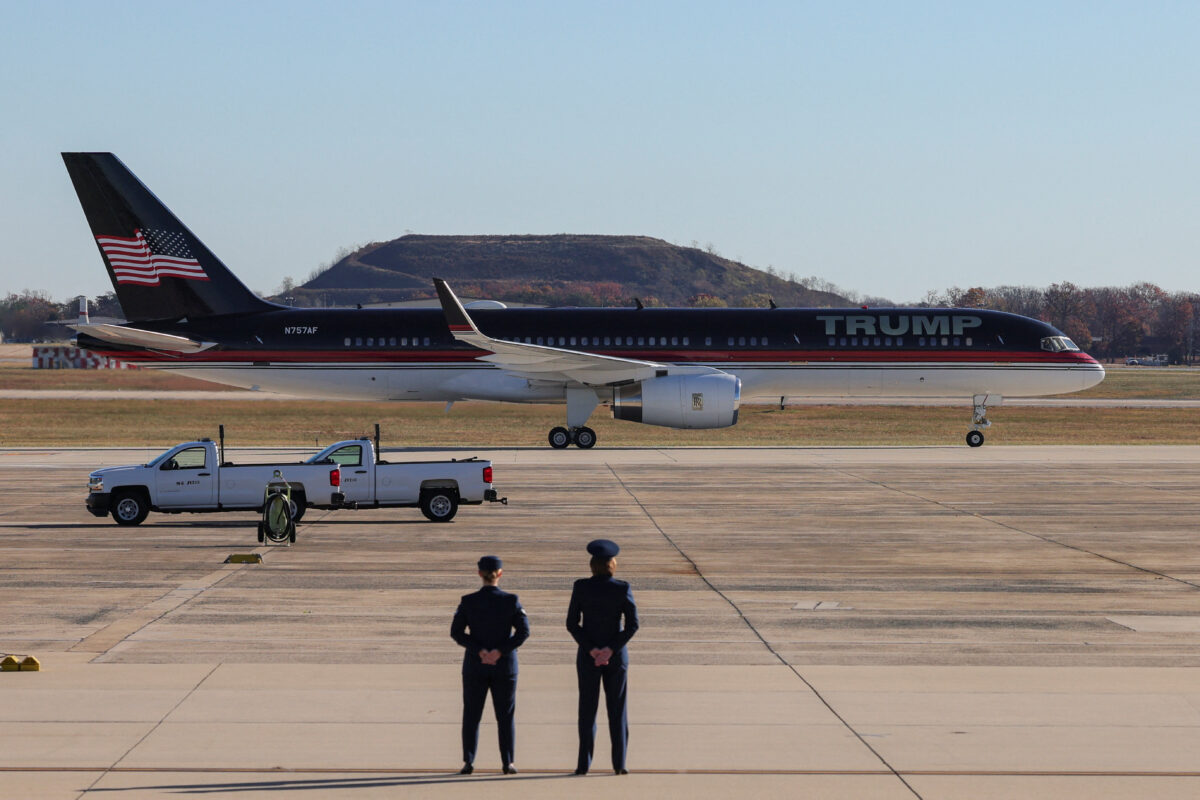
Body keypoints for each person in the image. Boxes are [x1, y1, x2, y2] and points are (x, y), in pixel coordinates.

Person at [450, 555, 530, 775]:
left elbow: (456, 632)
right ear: (500, 574)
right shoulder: (511, 601)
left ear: (479, 574)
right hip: (504, 667)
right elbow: (523, 632)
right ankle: (508, 761)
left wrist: (479, 651)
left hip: (476, 665)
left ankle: (468, 760)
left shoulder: (468, 601)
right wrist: (500, 651)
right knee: (505, 715)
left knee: (472, 714)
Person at [566, 538, 639, 775]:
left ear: (592, 565)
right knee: (617, 710)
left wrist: (592, 649)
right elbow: (632, 625)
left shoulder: (581, 587)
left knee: (587, 710)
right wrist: (610, 649)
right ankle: (620, 764)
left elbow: (572, 624)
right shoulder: (622, 588)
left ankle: (583, 764)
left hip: (589, 656)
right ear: (612, 564)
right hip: (616, 657)